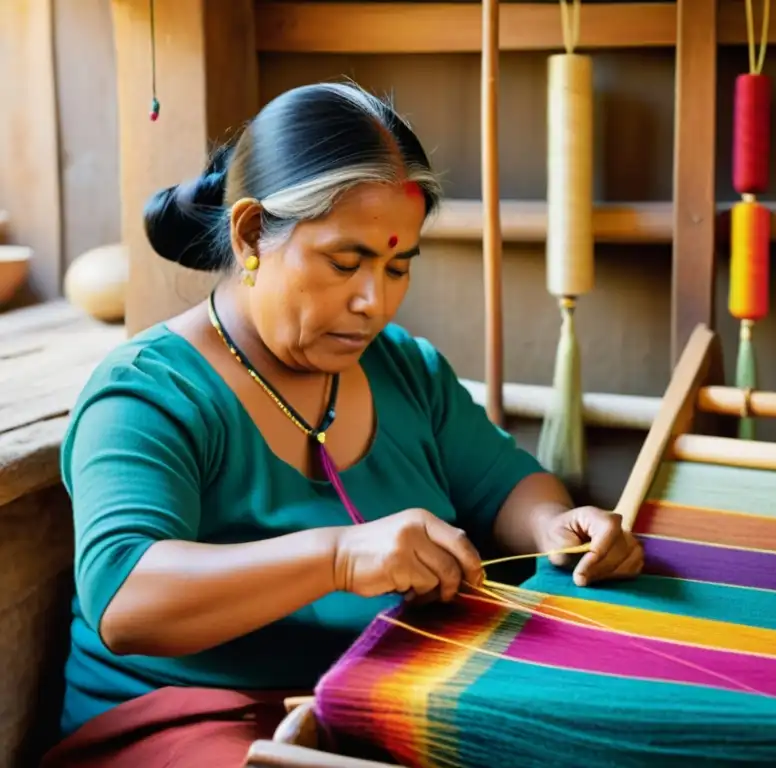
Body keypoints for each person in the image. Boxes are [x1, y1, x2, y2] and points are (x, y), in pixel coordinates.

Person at [41, 81, 644, 767]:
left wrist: (555, 528)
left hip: (381, 703)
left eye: (397, 267)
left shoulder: (406, 372)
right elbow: (125, 598)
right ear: (248, 235)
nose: (373, 302)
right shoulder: (150, 394)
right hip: (187, 724)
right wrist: (338, 557)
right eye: (345, 262)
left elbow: (508, 486)